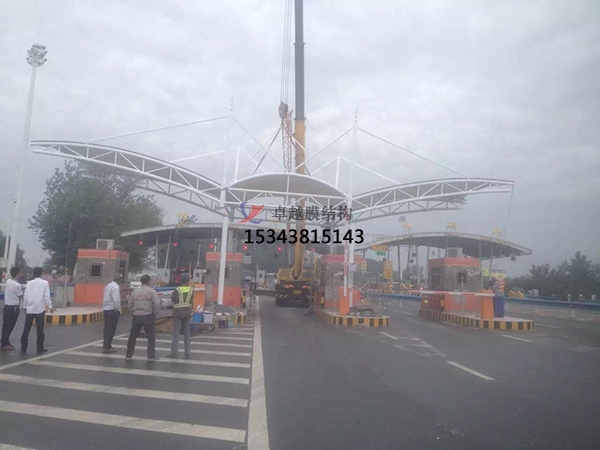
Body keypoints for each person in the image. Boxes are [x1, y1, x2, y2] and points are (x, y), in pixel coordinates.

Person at [125, 274, 160, 360]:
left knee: (133, 336)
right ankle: (151, 356)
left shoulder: (135, 292)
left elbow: (130, 304)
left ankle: (129, 355)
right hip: (148, 315)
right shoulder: (152, 291)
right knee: (151, 337)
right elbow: (156, 303)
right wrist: (155, 312)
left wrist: (132, 312)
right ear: (148, 281)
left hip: (137, 316)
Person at [21, 267, 53, 354]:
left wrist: (24, 306)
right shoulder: (44, 283)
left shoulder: (29, 283)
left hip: (30, 309)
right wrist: (50, 306)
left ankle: (23, 347)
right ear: (42, 273)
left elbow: (25, 296)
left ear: (33, 273)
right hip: (40, 309)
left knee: (26, 329)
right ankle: (39, 347)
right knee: (40, 329)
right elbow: (47, 296)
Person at [167, 272, 193, 359]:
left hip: (177, 313)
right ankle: (187, 353)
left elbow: (173, 299)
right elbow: (191, 301)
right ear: (188, 280)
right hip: (187, 313)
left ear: (181, 280)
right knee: (187, 333)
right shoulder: (191, 290)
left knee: (176, 333)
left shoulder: (177, 290)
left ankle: (174, 353)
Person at [1, 267, 24, 351]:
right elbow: (20, 296)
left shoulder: (8, 282)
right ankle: (5, 343)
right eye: (20, 272)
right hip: (13, 307)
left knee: (5, 326)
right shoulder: (17, 285)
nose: (22, 274)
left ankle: (4, 341)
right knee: (10, 326)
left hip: (7, 306)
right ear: (17, 274)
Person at [102, 273, 123, 353]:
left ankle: (106, 345)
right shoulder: (115, 287)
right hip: (113, 310)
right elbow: (116, 300)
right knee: (111, 329)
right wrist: (118, 309)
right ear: (119, 279)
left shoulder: (108, 285)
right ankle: (108, 346)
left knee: (107, 329)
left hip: (106, 309)